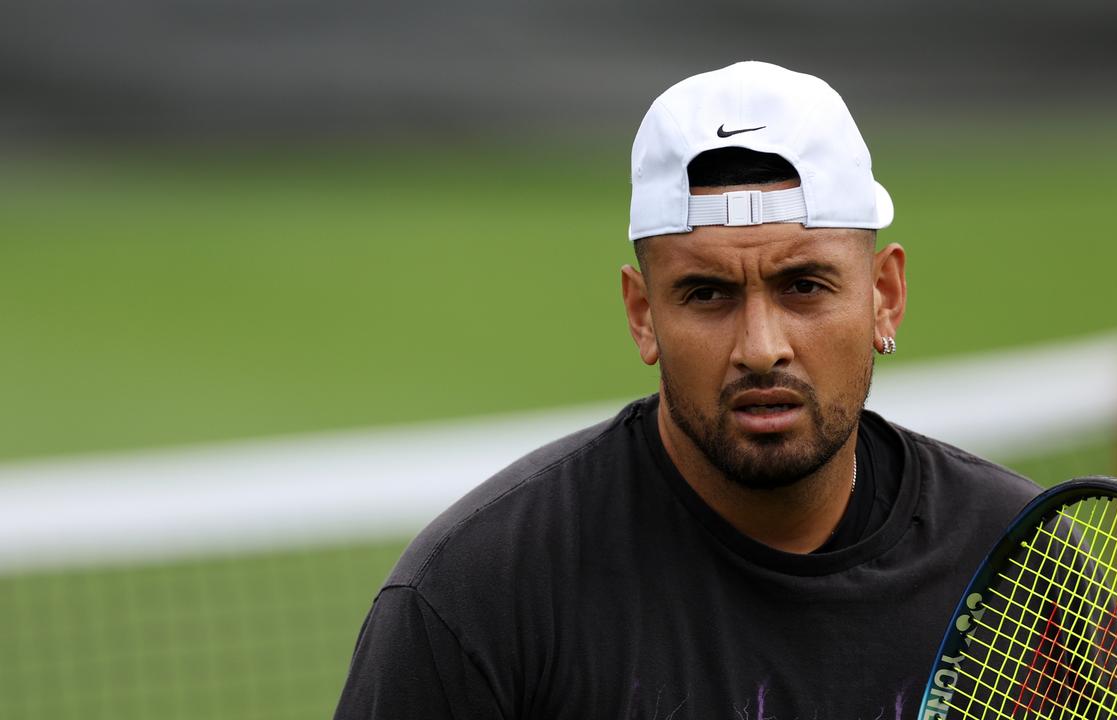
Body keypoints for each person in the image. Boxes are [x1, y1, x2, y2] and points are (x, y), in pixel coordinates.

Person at [334, 60, 1039, 719]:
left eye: (804, 286)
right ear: (643, 315)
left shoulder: (1028, 574)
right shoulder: (475, 599)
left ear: (884, 296)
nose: (762, 348)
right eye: (707, 294)